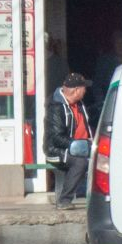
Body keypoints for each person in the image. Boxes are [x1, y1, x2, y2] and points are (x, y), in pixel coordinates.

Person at [44, 73, 94, 209]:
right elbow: (56, 138)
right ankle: (64, 200)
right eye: (84, 88)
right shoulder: (56, 107)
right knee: (80, 162)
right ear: (77, 90)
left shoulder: (79, 105)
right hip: (57, 150)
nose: (86, 91)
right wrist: (79, 145)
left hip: (82, 146)